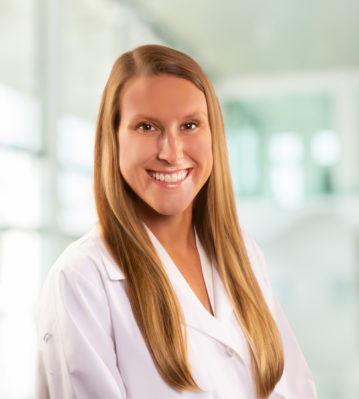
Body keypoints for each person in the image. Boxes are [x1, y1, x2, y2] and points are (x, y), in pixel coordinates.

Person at [34, 44, 317, 399]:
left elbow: (294, 388)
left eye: (190, 125)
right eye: (147, 126)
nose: (171, 152)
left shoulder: (242, 253)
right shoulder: (81, 280)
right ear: (114, 139)